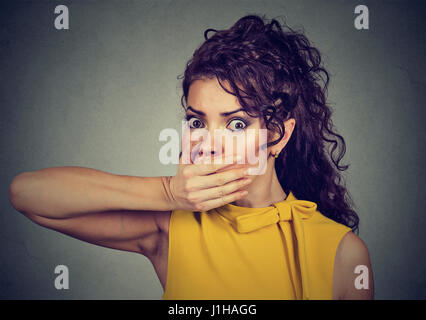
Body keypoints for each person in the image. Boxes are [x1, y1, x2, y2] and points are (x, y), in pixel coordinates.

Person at [9, 14, 373, 300]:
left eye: (236, 124)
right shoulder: (170, 228)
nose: (208, 143)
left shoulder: (343, 254)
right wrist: (169, 193)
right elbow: (27, 194)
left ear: (277, 134)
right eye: (197, 121)